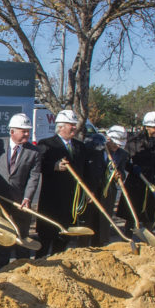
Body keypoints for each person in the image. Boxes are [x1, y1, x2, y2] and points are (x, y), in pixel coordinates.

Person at [0, 113, 41, 270]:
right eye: (23, 131)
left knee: (21, 235)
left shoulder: (34, 152)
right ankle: (2, 268)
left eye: (28, 131)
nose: (27, 134)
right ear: (12, 132)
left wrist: (27, 198)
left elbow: (34, 177)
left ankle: (22, 268)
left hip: (20, 202)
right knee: (2, 235)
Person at [34, 109, 94, 257]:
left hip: (71, 203)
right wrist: (54, 166)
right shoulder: (47, 144)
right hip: (52, 201)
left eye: (74, 125)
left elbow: (86, 171)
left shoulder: (80, 147)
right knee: (46, 239)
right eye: (70, 125)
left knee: (63, 240)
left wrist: (88, 190)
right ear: (60, 127)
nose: (74, 127)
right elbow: (37, 166)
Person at [125, 112, 155, 236]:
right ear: (147, 127)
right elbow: (125, 160)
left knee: (150, 214)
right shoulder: (134, 141)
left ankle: (148, 238)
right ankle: (127, 238)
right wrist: (131, 167)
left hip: (152, 181)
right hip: (135, 182)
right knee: (132, 213)